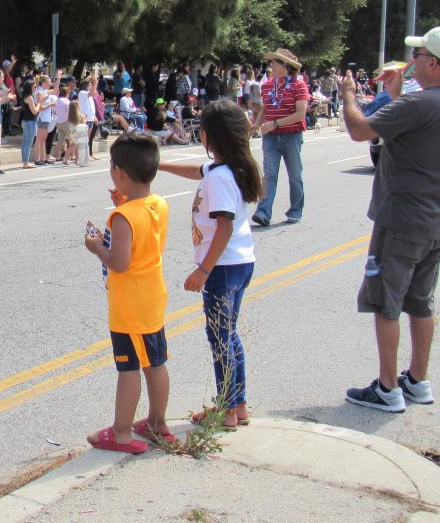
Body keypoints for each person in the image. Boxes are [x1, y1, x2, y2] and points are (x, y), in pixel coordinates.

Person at [338, 27, 440, 412]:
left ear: (433, 63)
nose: (412, 62)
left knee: (386, 302)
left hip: (401, 218)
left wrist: (349, 96)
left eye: (419, 56)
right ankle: (418, 380)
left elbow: (359, 129)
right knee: (422, 303)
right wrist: (396, 94)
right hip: (433, 221)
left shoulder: (418, 103)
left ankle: (387, 387)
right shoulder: (417, 103)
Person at [159, 100, 261, 429]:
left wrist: (203, 270)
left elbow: (224, 228)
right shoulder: (229, 168)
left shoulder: (220, 177)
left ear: (209, 136)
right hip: (240, 262)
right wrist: (158, 164)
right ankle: (238, 405)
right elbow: (195, 171)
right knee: (229, 336)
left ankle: (226, 410)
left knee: (219, 338)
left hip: (222, 267)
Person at [84, 133, 171, 453]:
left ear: (119, 173)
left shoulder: (122, 217)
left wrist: (96, 247)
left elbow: (118, 263)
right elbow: (141, 233)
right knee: (155, 362)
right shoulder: (159, 204)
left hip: (129, 305)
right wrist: (125, 203)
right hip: (152, 298)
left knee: (128, 367)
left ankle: (121, 432)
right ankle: (157, 421)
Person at [252, 48, 308, 227]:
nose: (271, 65)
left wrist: (274, 124)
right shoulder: (268, 85)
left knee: (295, 175)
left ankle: (295, 211)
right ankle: (263, 212)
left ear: (286, 65)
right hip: (270, 137)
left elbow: (300, 114)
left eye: (275, 62)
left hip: (291, 136)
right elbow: (265, 108)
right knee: (269, 175)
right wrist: (256, 124)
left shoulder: (299, 85)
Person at [19, 76, 38, 168]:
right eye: (34, 87)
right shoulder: (30, 97)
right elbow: (34, 111)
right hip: (31, 122)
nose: (35, 88)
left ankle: (24, 161)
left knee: (25, 142)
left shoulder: (24, 96)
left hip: (25, 121)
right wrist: (39, 104)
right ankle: (26, 162)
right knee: (28, 143)